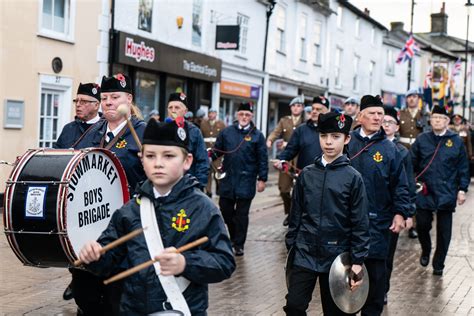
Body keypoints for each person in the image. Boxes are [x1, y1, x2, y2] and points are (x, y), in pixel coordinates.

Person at [78, 118, 236, 315]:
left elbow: (224, 262)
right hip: (133, 310)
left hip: (184, 308)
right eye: (150, 156)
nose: (158, 163)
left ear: (187, 161)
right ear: (141, 159)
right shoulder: (129, 211)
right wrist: (94, 255)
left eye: (169, 156)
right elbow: (109, 262)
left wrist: (185, 263)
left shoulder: (203, 208)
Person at [71, 73, 147, 315]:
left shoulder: (143, 133)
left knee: (117, 296)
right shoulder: (93, 132)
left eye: (115, 97)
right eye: (104, 98)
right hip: (91, 223)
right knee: (86, 290)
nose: (109, 102)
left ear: (129, 99)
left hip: (128, 225)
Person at [284, 112, 370, 316]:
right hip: (304, 252)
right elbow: (295, 214)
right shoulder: (306, 174)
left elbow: (360, 222)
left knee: (336, 312)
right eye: (324, 136)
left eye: (335, 136)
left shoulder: (353, 178)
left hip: (337, 256)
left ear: (346, 139)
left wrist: (357, 261)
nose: (328, 142)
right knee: (294, 306)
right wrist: (292, 246)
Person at [347, 95, 410, 316]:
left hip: (378, 223)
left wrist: (401, 213)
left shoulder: (390, 149)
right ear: (360, 116)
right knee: (344, 280)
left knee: (375, 283)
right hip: (345, 223)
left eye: (380, 114)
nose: (377, 118)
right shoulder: (347, 142)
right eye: (372, 113)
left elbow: (400, 185)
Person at [411, 105, 470, 276]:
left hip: (446, 190)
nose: (437, 120)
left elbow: (463, 167)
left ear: (446, 121)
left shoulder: (456, 141)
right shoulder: (422, 139)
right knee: (422, 225)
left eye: (441, 118)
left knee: (444, 232)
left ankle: (439, 263)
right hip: (425, 190)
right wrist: (411, 183)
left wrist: (462, 189)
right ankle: (426, 249)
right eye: (434, 117)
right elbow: (411, 164)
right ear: (430, 119)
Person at [210, 102, 268, 256]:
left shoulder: (257, 136)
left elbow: (262, 158)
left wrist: (262, 179)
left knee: (242, 214)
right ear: (237, 115)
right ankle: (234, 235)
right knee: (226, 210)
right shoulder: (227, 132)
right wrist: (208, 155)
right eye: (241, 114)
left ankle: (238, 244)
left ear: (251, 116)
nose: (244, 117)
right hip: (228, 179)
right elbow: (217, 150)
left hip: (246, 180)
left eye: (247, 115)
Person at [382, 106, 416, 305]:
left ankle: (382, 289)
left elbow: (408, 184)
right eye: (383, 121)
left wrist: (407, 212)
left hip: (392, 210)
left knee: (387, 254)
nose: (386, 125)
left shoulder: (402, 152)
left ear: (397, 127)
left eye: (390, 122)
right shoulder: (369, 146)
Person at [266, 96, 305, 226]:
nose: (296, 108)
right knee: (283, 189)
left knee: (301, 189)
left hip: (301, 157)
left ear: (302, 108)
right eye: (294, 105)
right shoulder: (284, 121)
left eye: (299, 106)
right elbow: (276, 132)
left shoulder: (306, 121)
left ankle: (298, 214)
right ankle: (289, 212)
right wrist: (270, 140)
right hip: (287, 159)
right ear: (290, 108)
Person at [167, 92, 209, 189]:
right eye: (170, 107)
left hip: (188, 186)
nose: (173, 111)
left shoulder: (194, 132)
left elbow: (202, 161)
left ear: (185, 111)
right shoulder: (160, 129)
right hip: (166, 186)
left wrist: (198, 187)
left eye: (177, 108)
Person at [275, 96, 329, 172]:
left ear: (326, 111)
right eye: (313, 108)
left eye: (318, 109)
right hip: (304, 175)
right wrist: (281, 160)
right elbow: (291, 149)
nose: (314, 111)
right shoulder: (301, 129)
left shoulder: (331, 130)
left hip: (325, 175)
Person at [54, 83, 101, 149]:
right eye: (76, 101)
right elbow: (57, 154)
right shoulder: (68, 128)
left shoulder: (105, 128)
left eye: (83, 101)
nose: (78, 105)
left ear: (96, 105)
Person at [200, 108, 226, 197]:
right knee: (208, 173)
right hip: (206, 151)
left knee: (217, 172)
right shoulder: (203, 124)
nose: (211, 115)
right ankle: (208, 192)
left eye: (213, 113)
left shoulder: (221, 124)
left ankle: (219, 187)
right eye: (210, 113)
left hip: (217, 153)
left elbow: (224, 138)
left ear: (216, 114)